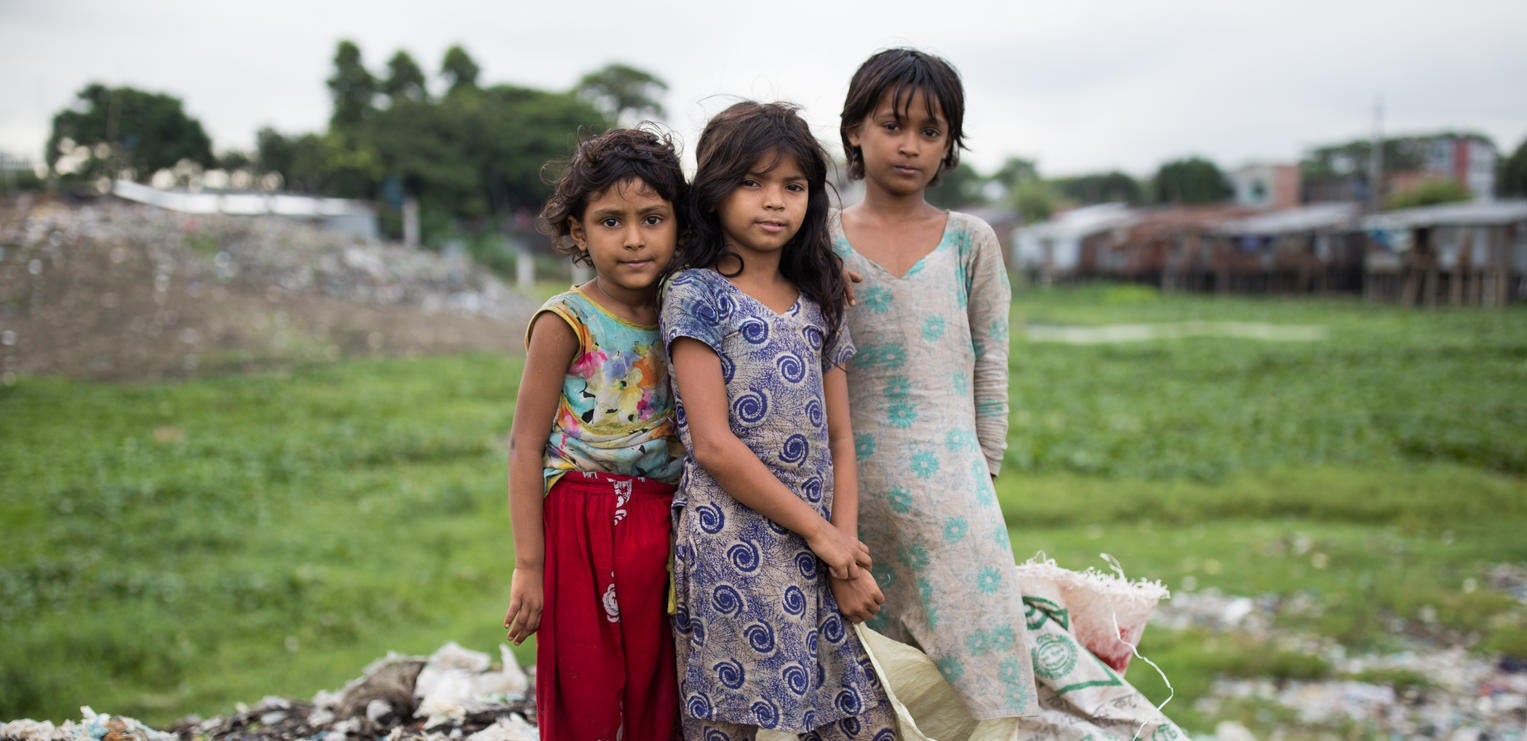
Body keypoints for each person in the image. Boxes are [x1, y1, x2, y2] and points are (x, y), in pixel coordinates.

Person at [831, 48, 1183, 737]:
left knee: (985, 664)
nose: (909, 145)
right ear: (854, 132)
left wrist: (983, 470)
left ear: (948, 148)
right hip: (847, 490)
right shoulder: (818, 239)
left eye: (930, 132)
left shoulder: (970, 241)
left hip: (954, 494)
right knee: (864, 666)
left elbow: (991, 361)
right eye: (892, 124)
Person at [659, 100, 897, 740]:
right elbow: (711, 443)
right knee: (730, 721)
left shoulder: (821, 295)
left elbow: (842, 440)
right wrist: (825, 539)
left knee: (859, 720)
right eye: (752, 182)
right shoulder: (696, 293)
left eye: (792, 186)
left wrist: (844, 556)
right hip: (730, 541)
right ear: (712, 193)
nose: (774, 201)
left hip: (823, 542)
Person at [502, 126, 687, 741]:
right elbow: (524, 446)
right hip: (578, 517)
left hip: (664, 522)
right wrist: (529, 565)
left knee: (659, 688)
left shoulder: (686, 311)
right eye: (611, 221)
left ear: (678, 224)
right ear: (579, 232)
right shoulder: (566, 321)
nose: (634, 239)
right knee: (584, 687)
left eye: (652, 218)